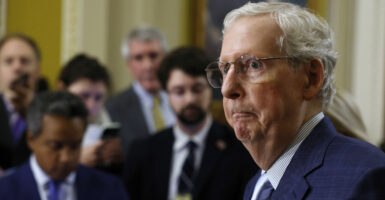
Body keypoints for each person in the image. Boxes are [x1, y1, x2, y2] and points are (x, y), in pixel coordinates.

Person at [204, 2, 385, 199]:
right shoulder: (257, 186)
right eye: (224, 69)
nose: (227, 89)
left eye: (253, 65)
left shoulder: (363, 178)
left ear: (310, 78)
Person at [124, 46, 256, 200]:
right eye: (179, 91)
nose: (190, 99)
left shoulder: (240, 148)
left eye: (197, 89)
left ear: (210, 90)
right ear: (166, 94)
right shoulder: (143, 151)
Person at [0, 91, 129, 200]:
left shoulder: (110, 189)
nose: (66, 158)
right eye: (56, 146)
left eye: (75, 146)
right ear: (31, 138)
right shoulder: (4, 191)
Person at [106, 26, 175, 155]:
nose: (148, 65)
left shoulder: (179, 97)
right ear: (129, 64)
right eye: (139, 58)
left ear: (165, 58)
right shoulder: (114, 107)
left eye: (153, 56)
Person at [57, 54, 124, 174]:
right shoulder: (46, 126)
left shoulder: (111, 122)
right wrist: (76, 161)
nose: (91, 107)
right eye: (83, 96)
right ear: (62, 89)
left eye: (98, 98)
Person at [0, 34, 40, 172]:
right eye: (9, 61)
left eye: (24, 61)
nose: (17, 68)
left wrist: (32, 112)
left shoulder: (51, 111)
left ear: (38, 69)